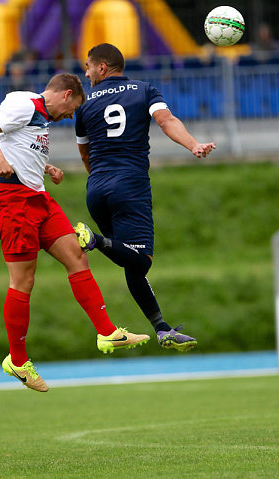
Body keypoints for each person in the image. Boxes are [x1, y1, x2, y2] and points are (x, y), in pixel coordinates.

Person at [0, 72, 150, 392]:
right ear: (67, 94)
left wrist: (46, 166)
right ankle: (17, 361)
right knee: (23, 281)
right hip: (12, 200)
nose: (70, 116)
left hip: (39, 200)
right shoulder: (24, 102)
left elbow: (19, 145)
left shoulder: (40, 118)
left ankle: (107, 332)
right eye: (72, 110)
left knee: (77, 255)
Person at [74, 43, 216, 351]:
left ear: (102, 67)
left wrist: (100, 182)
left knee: (129, 261)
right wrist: (192, 144)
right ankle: (94, 240)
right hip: (130, 185)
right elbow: (166, 121)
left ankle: (161, 328)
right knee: (141, 259)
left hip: (96, 188)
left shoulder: (84, 107)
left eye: (87, 66)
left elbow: (85, 154)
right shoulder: (144, 90)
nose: (85, 73)